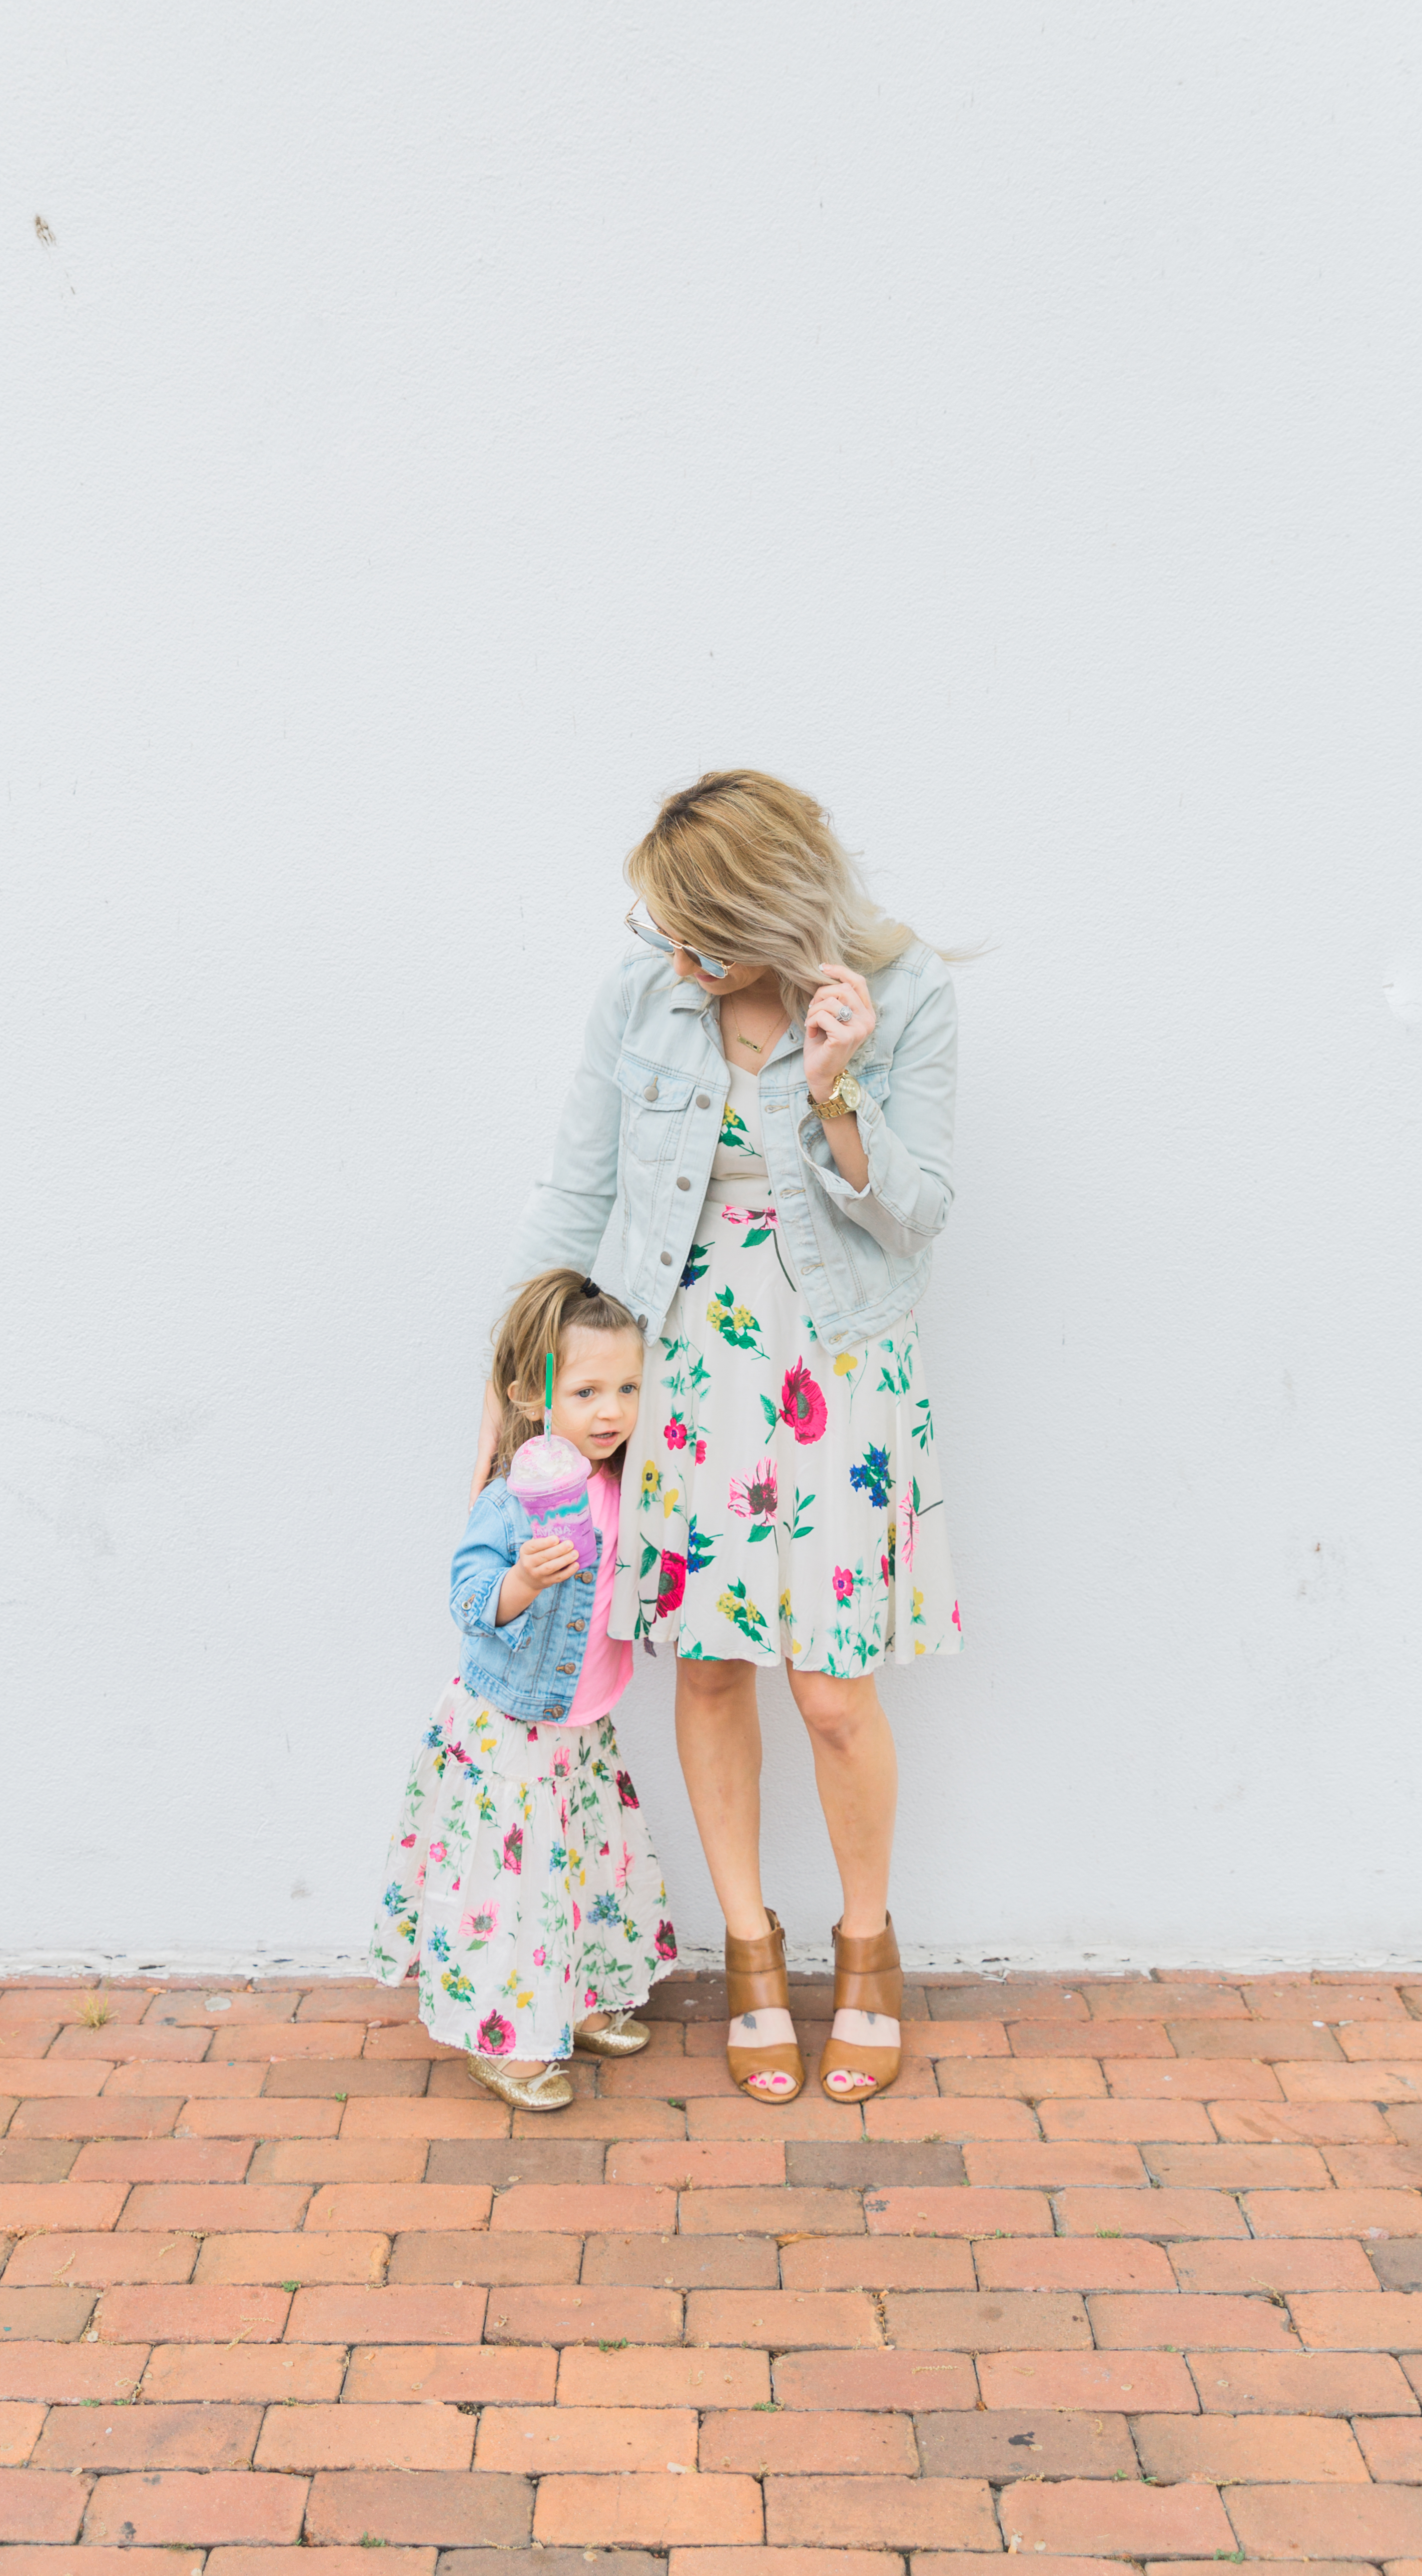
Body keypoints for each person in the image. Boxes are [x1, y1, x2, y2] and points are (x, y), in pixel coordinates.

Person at [478, 770, 961, 2104]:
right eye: (666, 933)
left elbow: (917, 1214)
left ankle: (863, 1946)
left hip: (840, 1365)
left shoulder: (903, 990)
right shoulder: (645, 994)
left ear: (769, 904)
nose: (676, 957)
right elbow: (578, 1182)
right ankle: (749, 1949)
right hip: (680, 1360)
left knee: (827, 1685)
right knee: (704, 1672)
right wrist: (518, 1374)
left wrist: (837, 1087)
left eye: (699, 931)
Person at [372, 1269, 676, 2110]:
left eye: (627, 1388)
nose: (611, 1410)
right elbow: (469, 1601)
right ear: (531, 1397)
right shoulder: (514, 1503)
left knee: (577, 1876)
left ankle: (572, 2008)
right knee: (510, 1894)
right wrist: (524, 1584)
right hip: (511, 1732)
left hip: (581, 1732)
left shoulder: (626, 1491)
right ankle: (500, 2042)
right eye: (586, 1391)